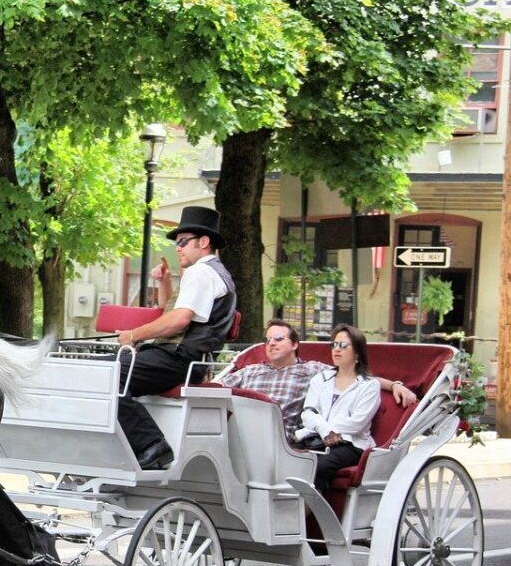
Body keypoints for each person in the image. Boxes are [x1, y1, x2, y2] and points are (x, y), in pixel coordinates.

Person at [114, 205, 235, 469]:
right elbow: (177, 312)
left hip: (178, 359)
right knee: (108, 369)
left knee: (107, 375)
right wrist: (165, 282)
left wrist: (134, 334)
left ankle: (151, 444)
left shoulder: (202, 272)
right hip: (183, 358)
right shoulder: (212, 272)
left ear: (203, 242)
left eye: (183, 241)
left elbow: (178, 321)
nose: (177, 247)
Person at [217, 319, 417, 439]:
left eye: (278, 339)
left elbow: (352, 374)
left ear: (294, 344)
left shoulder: (312, 370)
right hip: (239, 430)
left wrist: (394, 385)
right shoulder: (250, 371)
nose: (271, 344)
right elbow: (217, 386)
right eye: (267, 340)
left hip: (280, 436)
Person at [295, 324, 381, 495]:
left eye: (343, 346)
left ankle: (314, 516)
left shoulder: (369, 385)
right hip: (318, 437)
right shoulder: (321, 379)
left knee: (319, 466)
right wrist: (325, 430)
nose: (336, 350)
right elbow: (308, 413)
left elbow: (357, 423)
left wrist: (329, 430)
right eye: (334, 345)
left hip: (351, 443)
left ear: (357, 352)